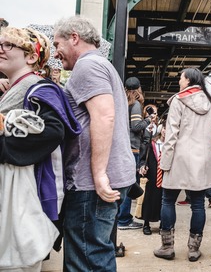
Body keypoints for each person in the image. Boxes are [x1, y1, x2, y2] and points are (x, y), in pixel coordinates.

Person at [53, 15, 136, 271]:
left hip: (91, 183)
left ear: (74, 38)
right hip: (104, 179)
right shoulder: (102, 65)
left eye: (58, 44)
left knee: (86, 260)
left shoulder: (87, 66)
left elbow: (104, 115)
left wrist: (99, 174)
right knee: (97, 254)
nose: (56, 53)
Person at [0, 27, 81, 271]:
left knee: (19, 260)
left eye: (9, 45)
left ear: (32, 57)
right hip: (14, 190)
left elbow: (52, 132)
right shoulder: (19, 87)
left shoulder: (41, 89)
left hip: (26, 191)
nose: (1, 48)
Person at [153, 68, 211, 262]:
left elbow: (172, 134)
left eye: (180, 78)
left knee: (167, 200)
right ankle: (193, 249)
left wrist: (164, 162)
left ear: (188, 80)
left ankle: (167, 247)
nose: (179, 81)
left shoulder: (178, 100)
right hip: (202, 160)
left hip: (178, 158)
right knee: (198, 205)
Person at [118, 76, 152, 230]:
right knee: (130, 185)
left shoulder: (122, 102)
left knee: (123, 184)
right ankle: (124, 219)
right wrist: (149, 119)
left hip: (123, 146)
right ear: (138, 89)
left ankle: (120, 217)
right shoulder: (136, 104)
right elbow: (136, 126)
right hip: (132, 148)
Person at [138, 120, 164, 236]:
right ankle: (146, 224)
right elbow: (143, 159)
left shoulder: (171, 145)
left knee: (164, 200)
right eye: (164, 128)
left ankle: (164, 224)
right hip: (152, 174)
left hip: (165, 176)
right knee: (149, 198)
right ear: (160, 129)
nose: (166, 131)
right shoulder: (151, 143)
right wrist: (142, 166)